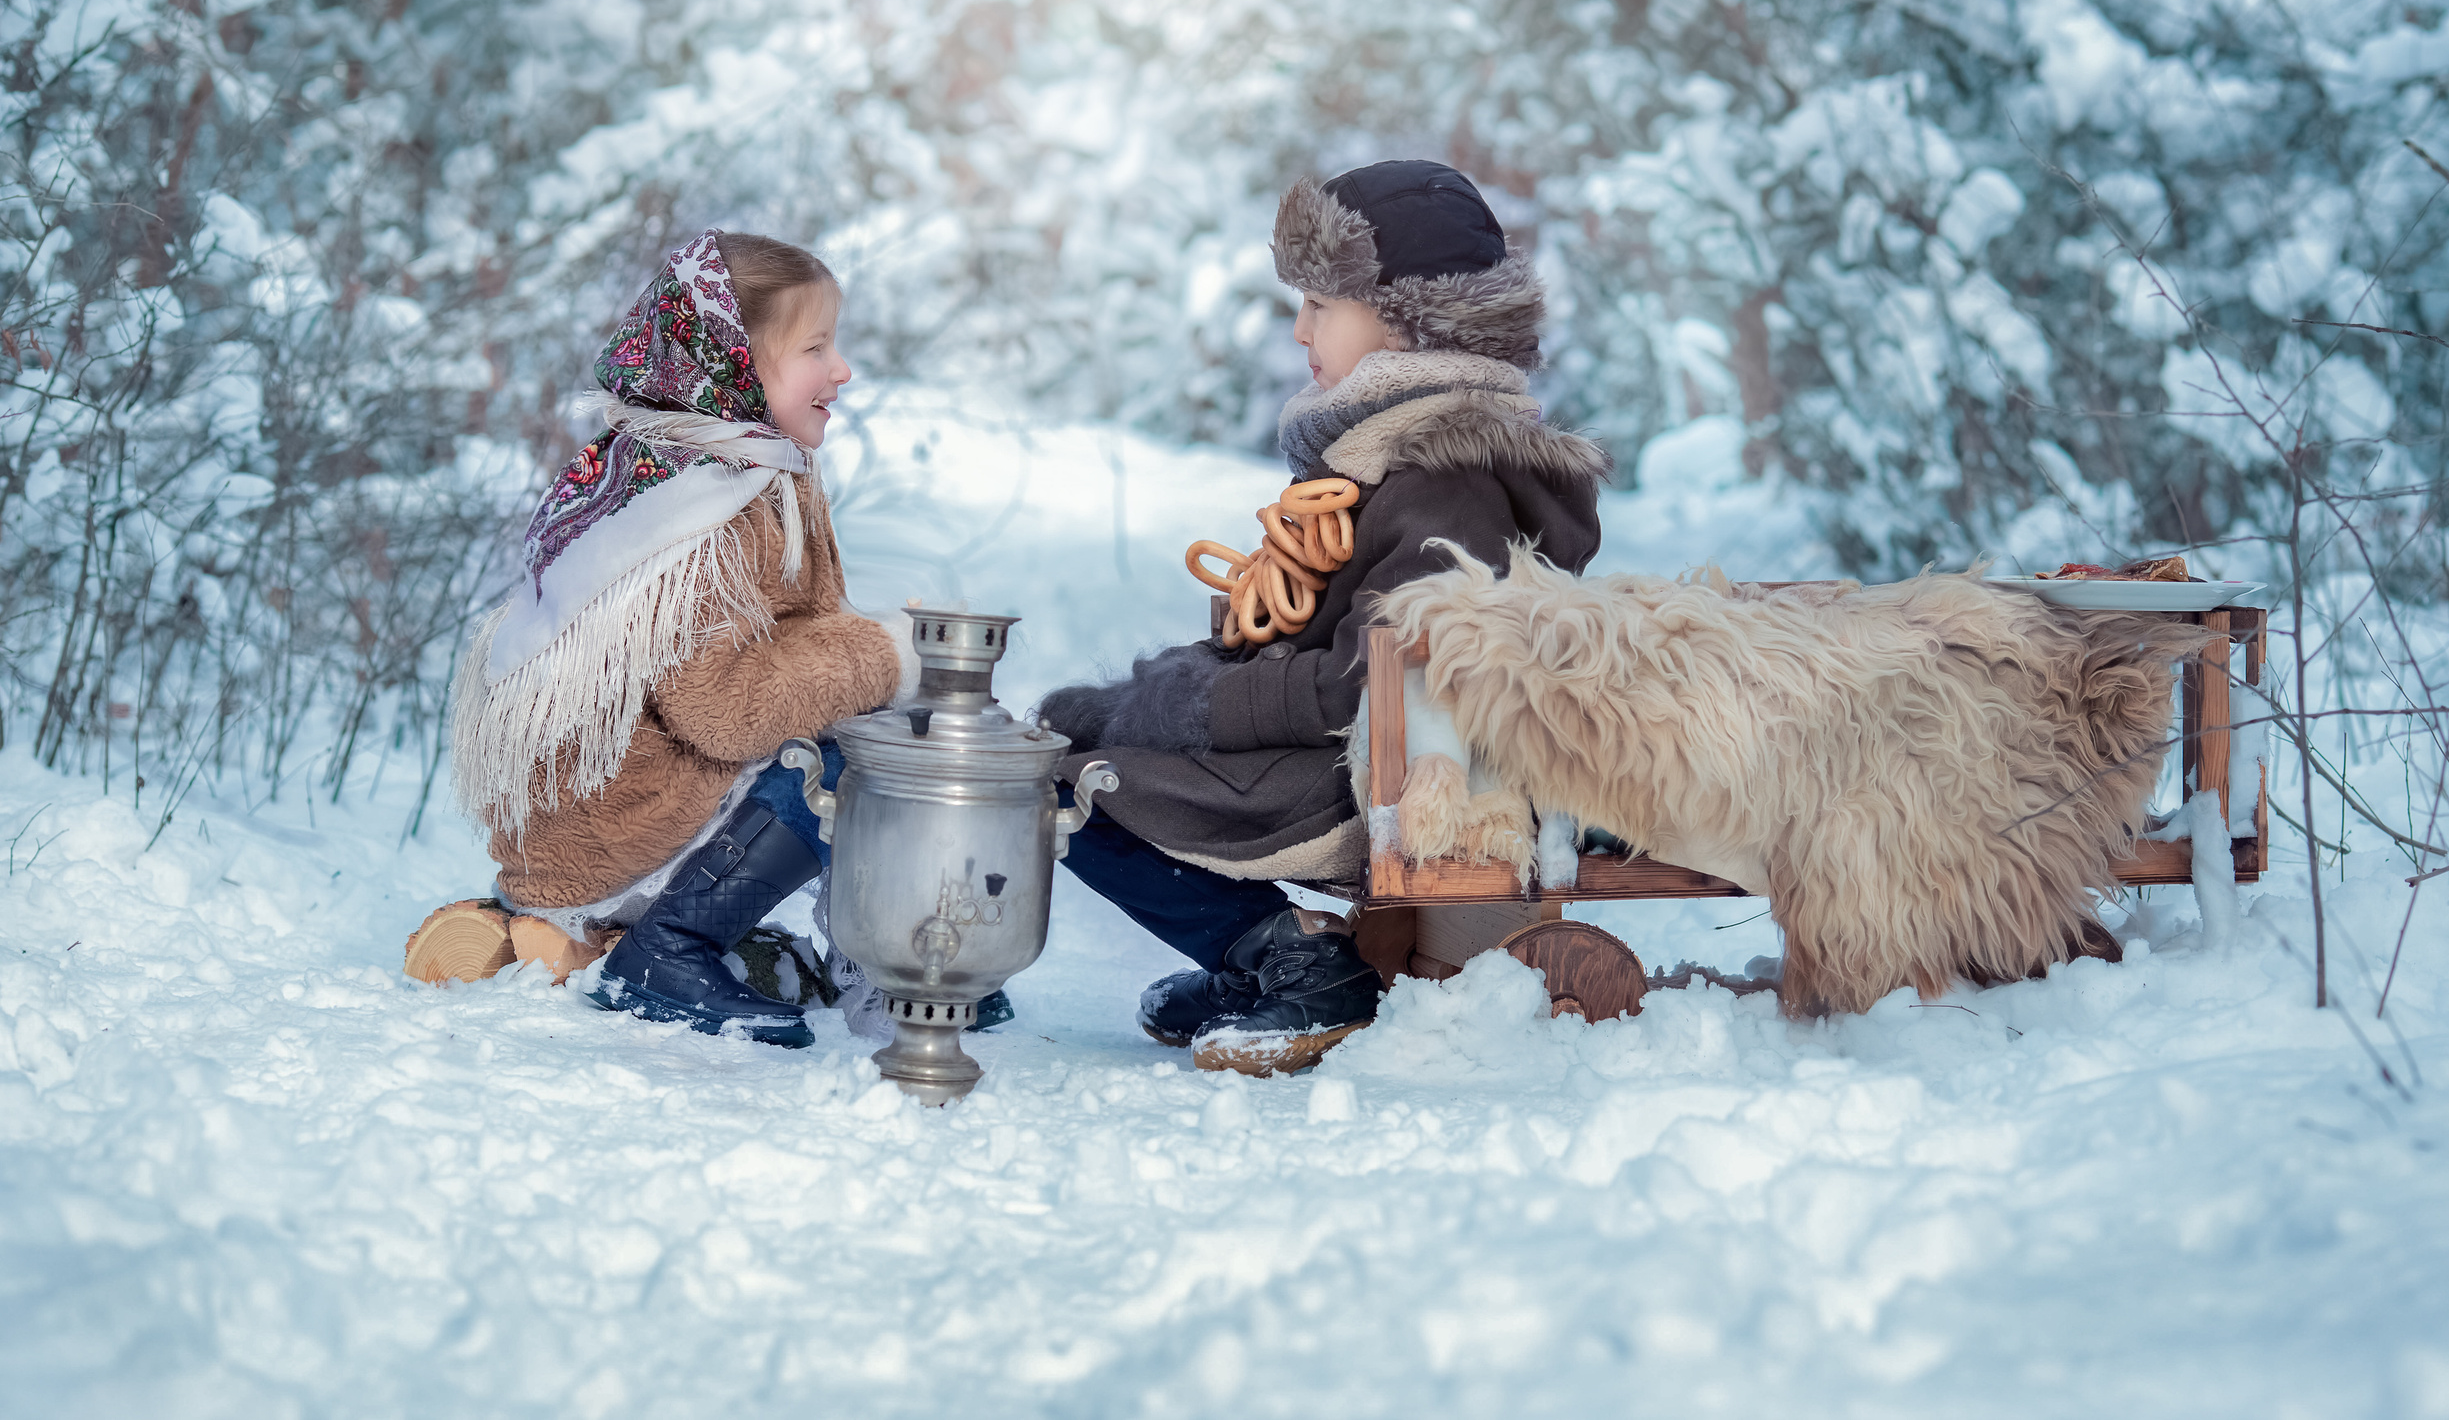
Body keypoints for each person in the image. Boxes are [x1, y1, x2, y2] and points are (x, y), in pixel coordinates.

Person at [1041, 161, 1608, 1076]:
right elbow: (1301, 638)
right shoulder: (1384, 454)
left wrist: (1193, 708)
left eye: (1319, 304)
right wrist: (1155, 690)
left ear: (1407, 318)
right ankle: (1264, 953)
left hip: (1393, 778)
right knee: (1070, 746)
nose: (1299, 328)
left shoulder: (1447, 479)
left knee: (1062, 789)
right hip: (1352, 757)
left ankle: (1296, 959)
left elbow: (1372, 677)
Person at [447, 231, 912, 1047]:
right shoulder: (698, 510)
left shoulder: (734, 468)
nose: (841, 370)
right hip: (611, 837)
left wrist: (871, 661)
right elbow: (725, 709)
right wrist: (882, 655)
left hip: (637, 819)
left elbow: (795, 639)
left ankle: (873, 959)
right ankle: (670, 947)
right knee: (850, 754)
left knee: (869, 715)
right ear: (737, 364)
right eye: (815, 347)